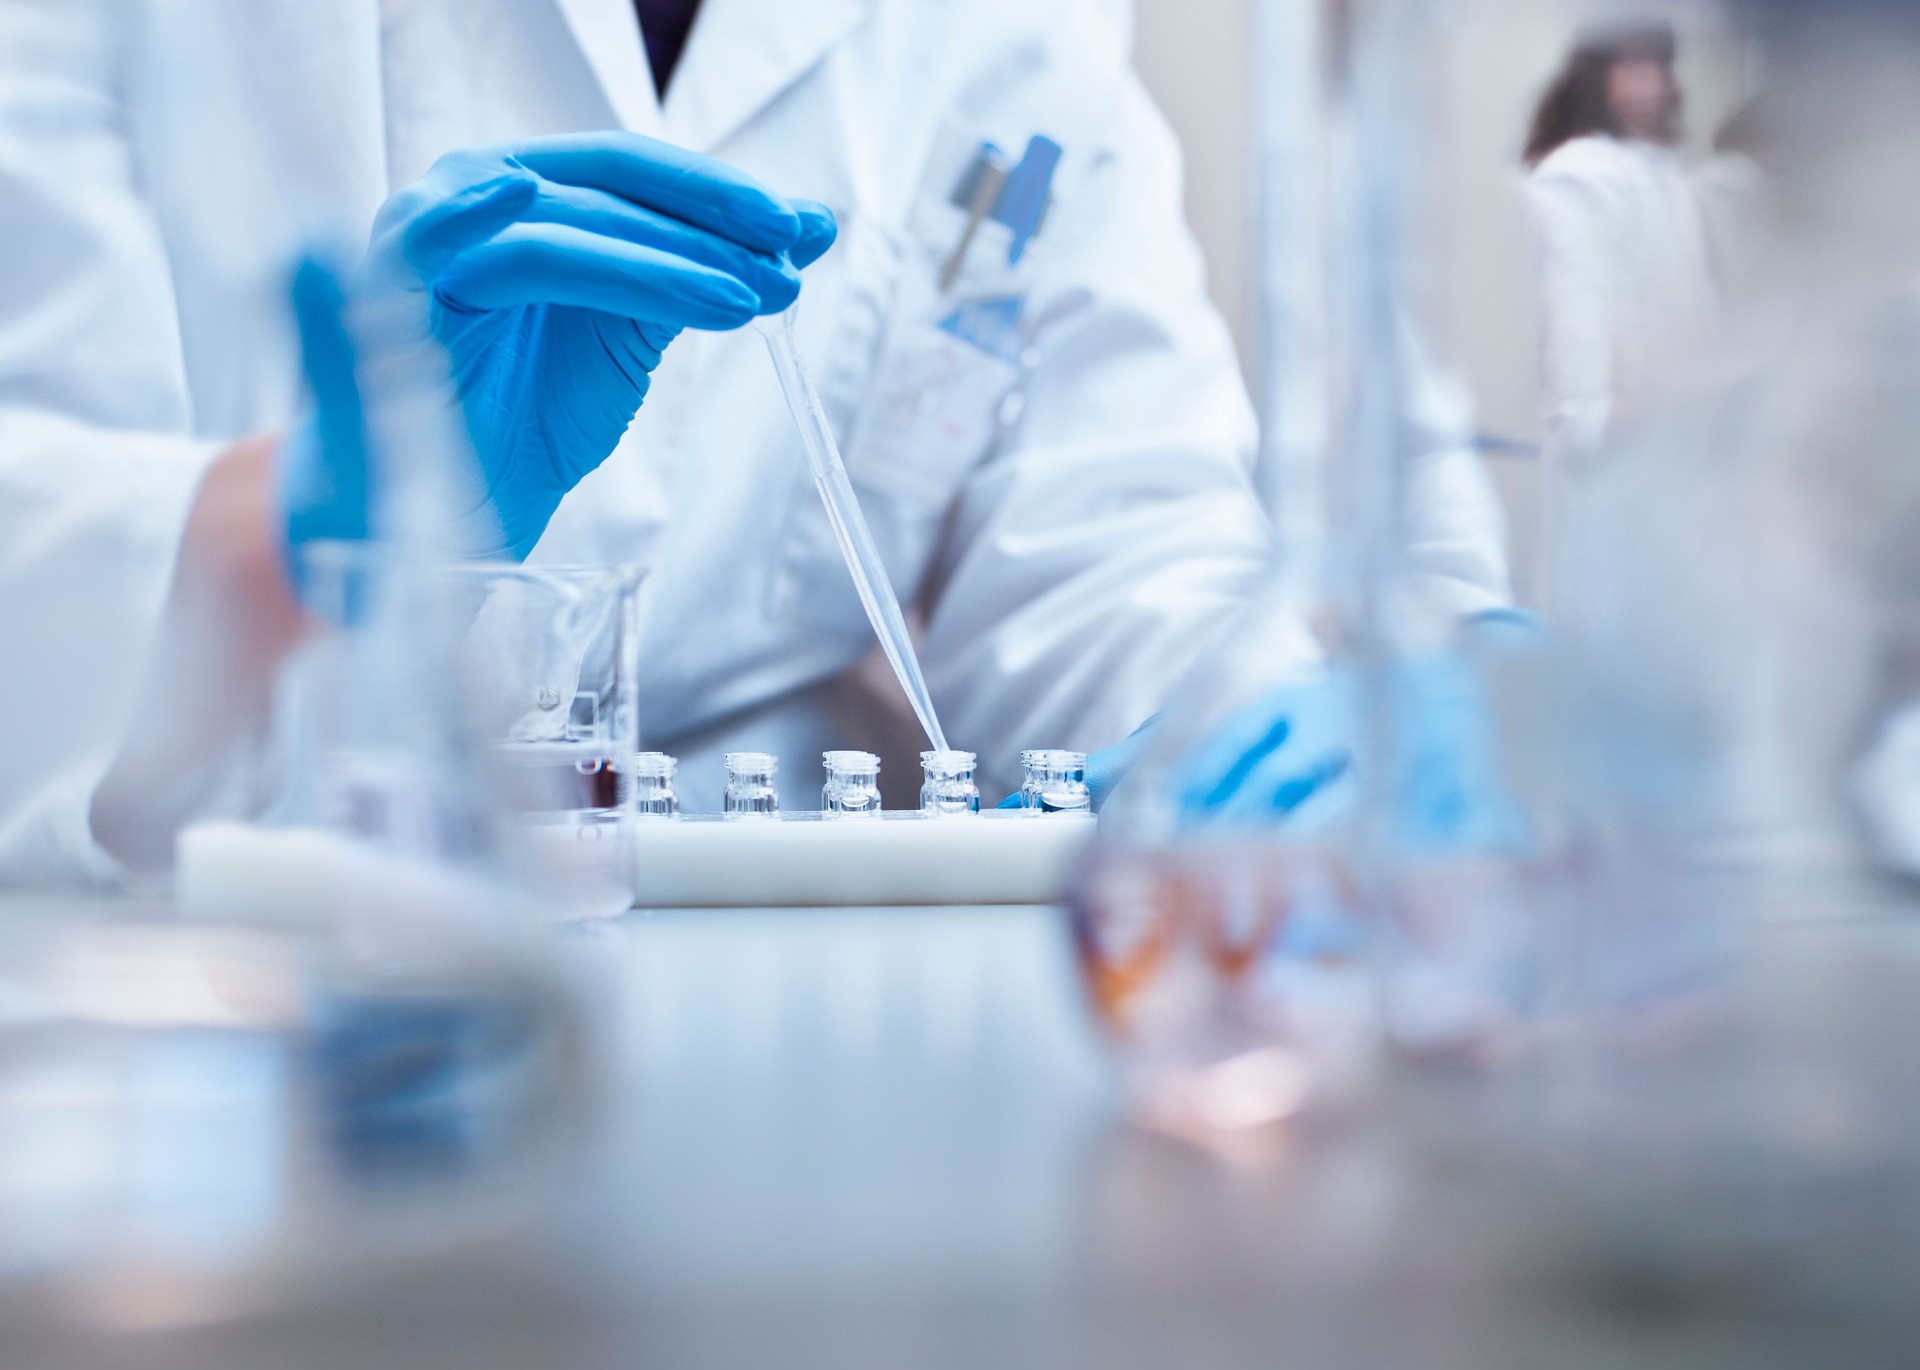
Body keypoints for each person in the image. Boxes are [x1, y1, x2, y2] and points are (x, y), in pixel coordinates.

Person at [0, 0, 1511, 881]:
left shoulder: (1011, 30)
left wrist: (1286, 739)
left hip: (810, 988)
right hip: (224, 995)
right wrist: (292, 536)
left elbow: (1113, 549)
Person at [1522, 19, 1720, 458]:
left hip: (1674, 444)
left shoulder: (1666, 174)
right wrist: (1589, 422)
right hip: (1616, 448)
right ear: (1595, 73)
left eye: (1659, 64)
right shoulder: (1578, 173)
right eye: (1632, 64)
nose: (1652, 81)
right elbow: (1576, 317)